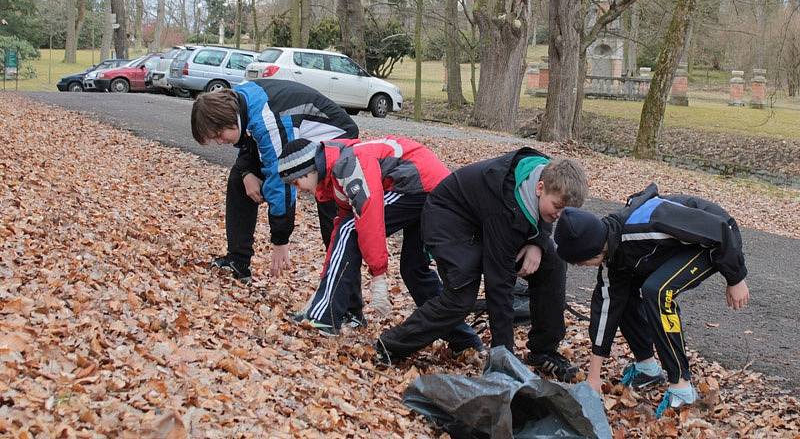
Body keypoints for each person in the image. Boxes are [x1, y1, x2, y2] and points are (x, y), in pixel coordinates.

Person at [376, 148, 588, 377]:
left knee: (553, 260)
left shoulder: (548, 173)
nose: (559, 215)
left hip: (483, 224)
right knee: (460, 298)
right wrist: (503, 356)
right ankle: (389, 346)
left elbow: (546, 214)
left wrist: (538, 240)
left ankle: (544, 350)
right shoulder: (505, 205)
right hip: (448, 221)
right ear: (540, 187)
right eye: (558, 207)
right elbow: (499, 284)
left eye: (565, 210)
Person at [552, 183, 750, 418]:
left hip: (716, 240)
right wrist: (593, 378)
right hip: (680, 246)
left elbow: (718, 230)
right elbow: (606, 308)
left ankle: (682, 388)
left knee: (657, 291)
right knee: (621, 296)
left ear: (594, 252)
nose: (582, 267)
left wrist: (735, 277)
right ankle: (647, 367)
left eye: (581, 263)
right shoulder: (610, 253)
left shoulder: (646, 226)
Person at [276, 136, 483, 355]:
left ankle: (325, 316)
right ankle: (464, 340)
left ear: (308, 170)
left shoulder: (348, 164)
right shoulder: (337, 172)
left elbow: (368, 214)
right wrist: (321, 288)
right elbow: (341, 236)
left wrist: (379, 276)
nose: (298, 189)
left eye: (295, 182)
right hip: (430, 188)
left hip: (421, 185)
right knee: (414, 270)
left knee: (352, 229)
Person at [190, 79, 359, 284]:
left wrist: (280, 240)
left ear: (228, 118)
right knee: (238, 178)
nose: (219, 141)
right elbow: (250, 139)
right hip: (296, 140)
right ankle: (238, 261)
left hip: (337, 140)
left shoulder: (269, 121)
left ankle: (346, 303)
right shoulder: (238, 100)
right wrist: (246, 172)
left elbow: (282, 181)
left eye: (218, 135)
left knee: (331, 215)